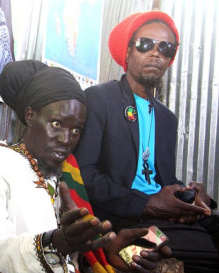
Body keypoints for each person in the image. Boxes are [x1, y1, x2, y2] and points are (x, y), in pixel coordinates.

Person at [0, 60, 171, 273]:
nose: (66, 139)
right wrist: (55, 243)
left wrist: (111, 250)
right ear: (30, 116)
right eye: (57, 124)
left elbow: (67, 259)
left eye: (76, 130)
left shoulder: (54, 176)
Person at [74, 10, 219, 273]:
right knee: (198, 250)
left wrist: (190, 197)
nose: (156, 53)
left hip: (165, 218)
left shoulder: (167, 119)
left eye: (165, 48)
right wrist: (146, 203)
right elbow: (85, 174)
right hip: (124, 218)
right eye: (145, 44)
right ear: (128, 53)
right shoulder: (99, 99)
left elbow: (160, 179)